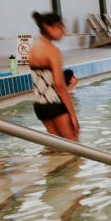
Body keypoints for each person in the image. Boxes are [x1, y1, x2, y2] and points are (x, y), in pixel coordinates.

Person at [28, 11, 79, 141]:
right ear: (47, 27)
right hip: (55, 103)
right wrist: (72, 114)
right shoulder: (53, 51)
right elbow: (59, 84)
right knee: (73, 145)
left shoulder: (33, 49)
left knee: (55, 146)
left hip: (40, 104)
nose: (63, 31)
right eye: (60, 27)